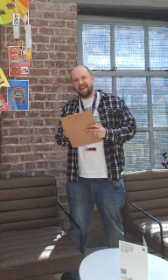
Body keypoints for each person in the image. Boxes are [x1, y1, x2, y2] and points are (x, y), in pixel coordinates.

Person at [55, 65, 136, 280]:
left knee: (114, 229)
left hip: (109, 180)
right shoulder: (70, 106)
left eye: (83, 78)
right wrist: (69, 133)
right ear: (72, 84)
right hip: (78, 180)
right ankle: (74, 273)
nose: (80, 83)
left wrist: (106, 133)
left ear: (91, 78)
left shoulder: (113, 102)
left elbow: (131, 128)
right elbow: (59, 139)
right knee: (77, 229)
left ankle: (122, 273)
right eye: (75, 80)